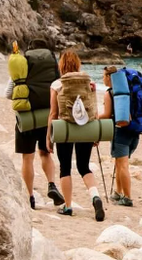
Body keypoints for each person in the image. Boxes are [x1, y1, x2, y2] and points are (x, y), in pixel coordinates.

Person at [46, 50, 105, 221]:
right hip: (86, 127)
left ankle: (68, 206)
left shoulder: (57, 84)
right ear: (78, 64)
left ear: (61, 65)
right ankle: (95, 197)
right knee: (83, 166)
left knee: (65, 167)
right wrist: (96, 134)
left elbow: (53, 113)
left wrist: (49, 137)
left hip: (65, 129)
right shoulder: (90, 83)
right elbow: (93, 110)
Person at [5, 42, 64, 210]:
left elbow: (8, 93)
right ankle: (52, 184)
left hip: (27, 117)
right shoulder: (53, 66)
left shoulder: (22, 65)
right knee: (46, 154)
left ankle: (30, 196)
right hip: (48, 117)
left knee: (27, 158)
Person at [102, 66, 136, 207]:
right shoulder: (129, 91)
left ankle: (127, 197)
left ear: (109, 77)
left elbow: (106, 114)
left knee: (122, 165)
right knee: (119, 163)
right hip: (133, 131)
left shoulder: (110, 93)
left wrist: (92, 118)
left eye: (103, 76)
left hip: (120, 131)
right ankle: (118, 192)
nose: (102, 78)